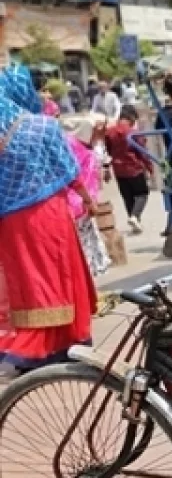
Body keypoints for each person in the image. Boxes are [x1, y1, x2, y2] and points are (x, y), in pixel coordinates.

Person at [0, 64, 98, 373]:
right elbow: (70, 170)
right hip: (48, 214)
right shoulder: (44, 126)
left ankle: (34, 347)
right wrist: (86, 199)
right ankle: (59, 343)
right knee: (61, 275)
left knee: (28, 281)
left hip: (11, 221)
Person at [61, 116, 111, 278]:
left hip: (73, 205)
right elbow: (85, 181)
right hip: (80, 205)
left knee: (85, 243)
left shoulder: (69, 145)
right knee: (84, 245)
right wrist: (90, 201)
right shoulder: (84, 152)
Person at [105, 104, 154, 234]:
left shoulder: (109, 132)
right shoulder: (133, 132)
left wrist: (108, 166)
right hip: (134, 167)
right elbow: (142, 151)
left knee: (128, 197)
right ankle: (135, 217)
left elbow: (108, 150)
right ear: (131, 117)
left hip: (119, 169)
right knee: (142, 194)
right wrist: (150, 167)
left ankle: (134, 222)